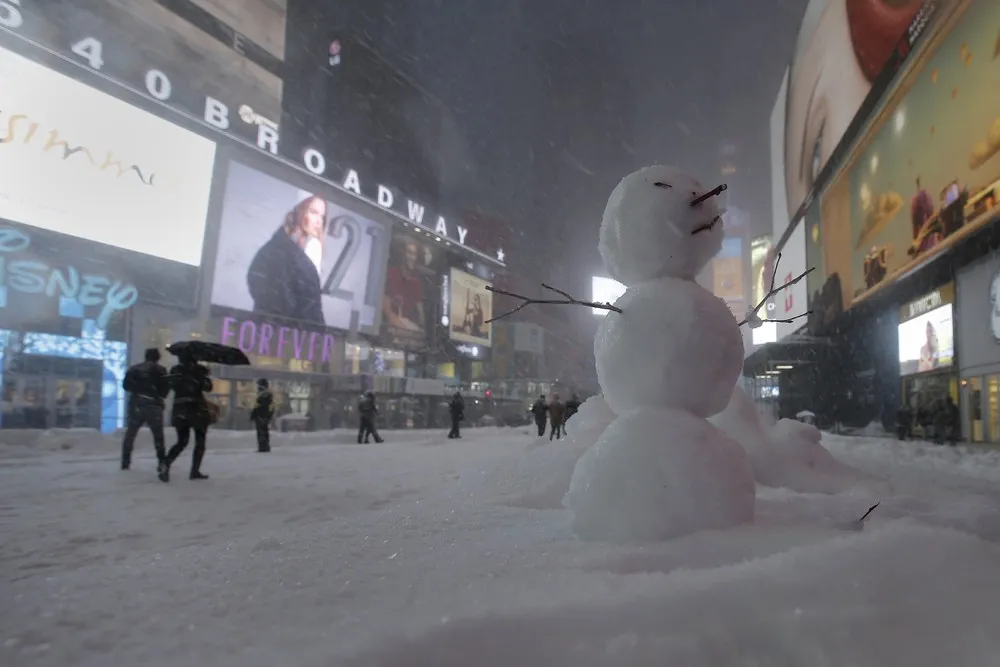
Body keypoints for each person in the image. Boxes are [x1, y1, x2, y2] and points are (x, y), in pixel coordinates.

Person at [246, 194, 328, 326]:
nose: (319, 221)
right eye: (314, 212)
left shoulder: (307, 250)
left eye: (322, 216)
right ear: (299, 212)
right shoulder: (277, 252)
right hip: (282, 337)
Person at [159, 353, 214, 482]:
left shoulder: (175, 370)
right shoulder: (199, 370)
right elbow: (208, 388)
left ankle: (166, 463)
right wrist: (205, 375)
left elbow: (171, 385)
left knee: (181, 441)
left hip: (180, 408)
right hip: (197, 409)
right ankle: (195, 470)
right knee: (200, 441)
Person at [120, 348, 170, 471]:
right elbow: (165, 391)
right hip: (154, 405)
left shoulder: (134, 369)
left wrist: (137, 390)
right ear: (157, 358)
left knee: (131, 434)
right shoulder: (161, 370)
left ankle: (125, 462)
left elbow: (126, 386)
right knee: (158, 436)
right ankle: (161, 461)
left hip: (137, 403)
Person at [250, 378, 274, 453]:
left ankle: (263, 447)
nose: (258, 387)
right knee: (262, 432)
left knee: (262, 432)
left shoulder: (265, 396)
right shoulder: (262, 396)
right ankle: (263, 446)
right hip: (261, 417)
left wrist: (266, 417)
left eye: (259, 385)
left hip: (262, 417)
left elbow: (265, 408)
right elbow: (257, 407)